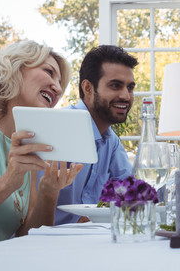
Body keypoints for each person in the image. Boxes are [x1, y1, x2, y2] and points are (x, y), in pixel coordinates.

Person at [0, 41, 82, 252]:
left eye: (60, 83)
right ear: (14, 69)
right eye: (49, 72)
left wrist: (49, 191)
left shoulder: (24, 147)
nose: (57, 88)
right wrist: (7, 183)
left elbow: (27, 238)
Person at [52, 45, 138, 224]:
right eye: (115, 85)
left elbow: (132, 192)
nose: (126, 96)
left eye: (130, 88)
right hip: (46, 242)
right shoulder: (59, 128)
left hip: (88, 241)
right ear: (88, 88)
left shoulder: (110, 140)